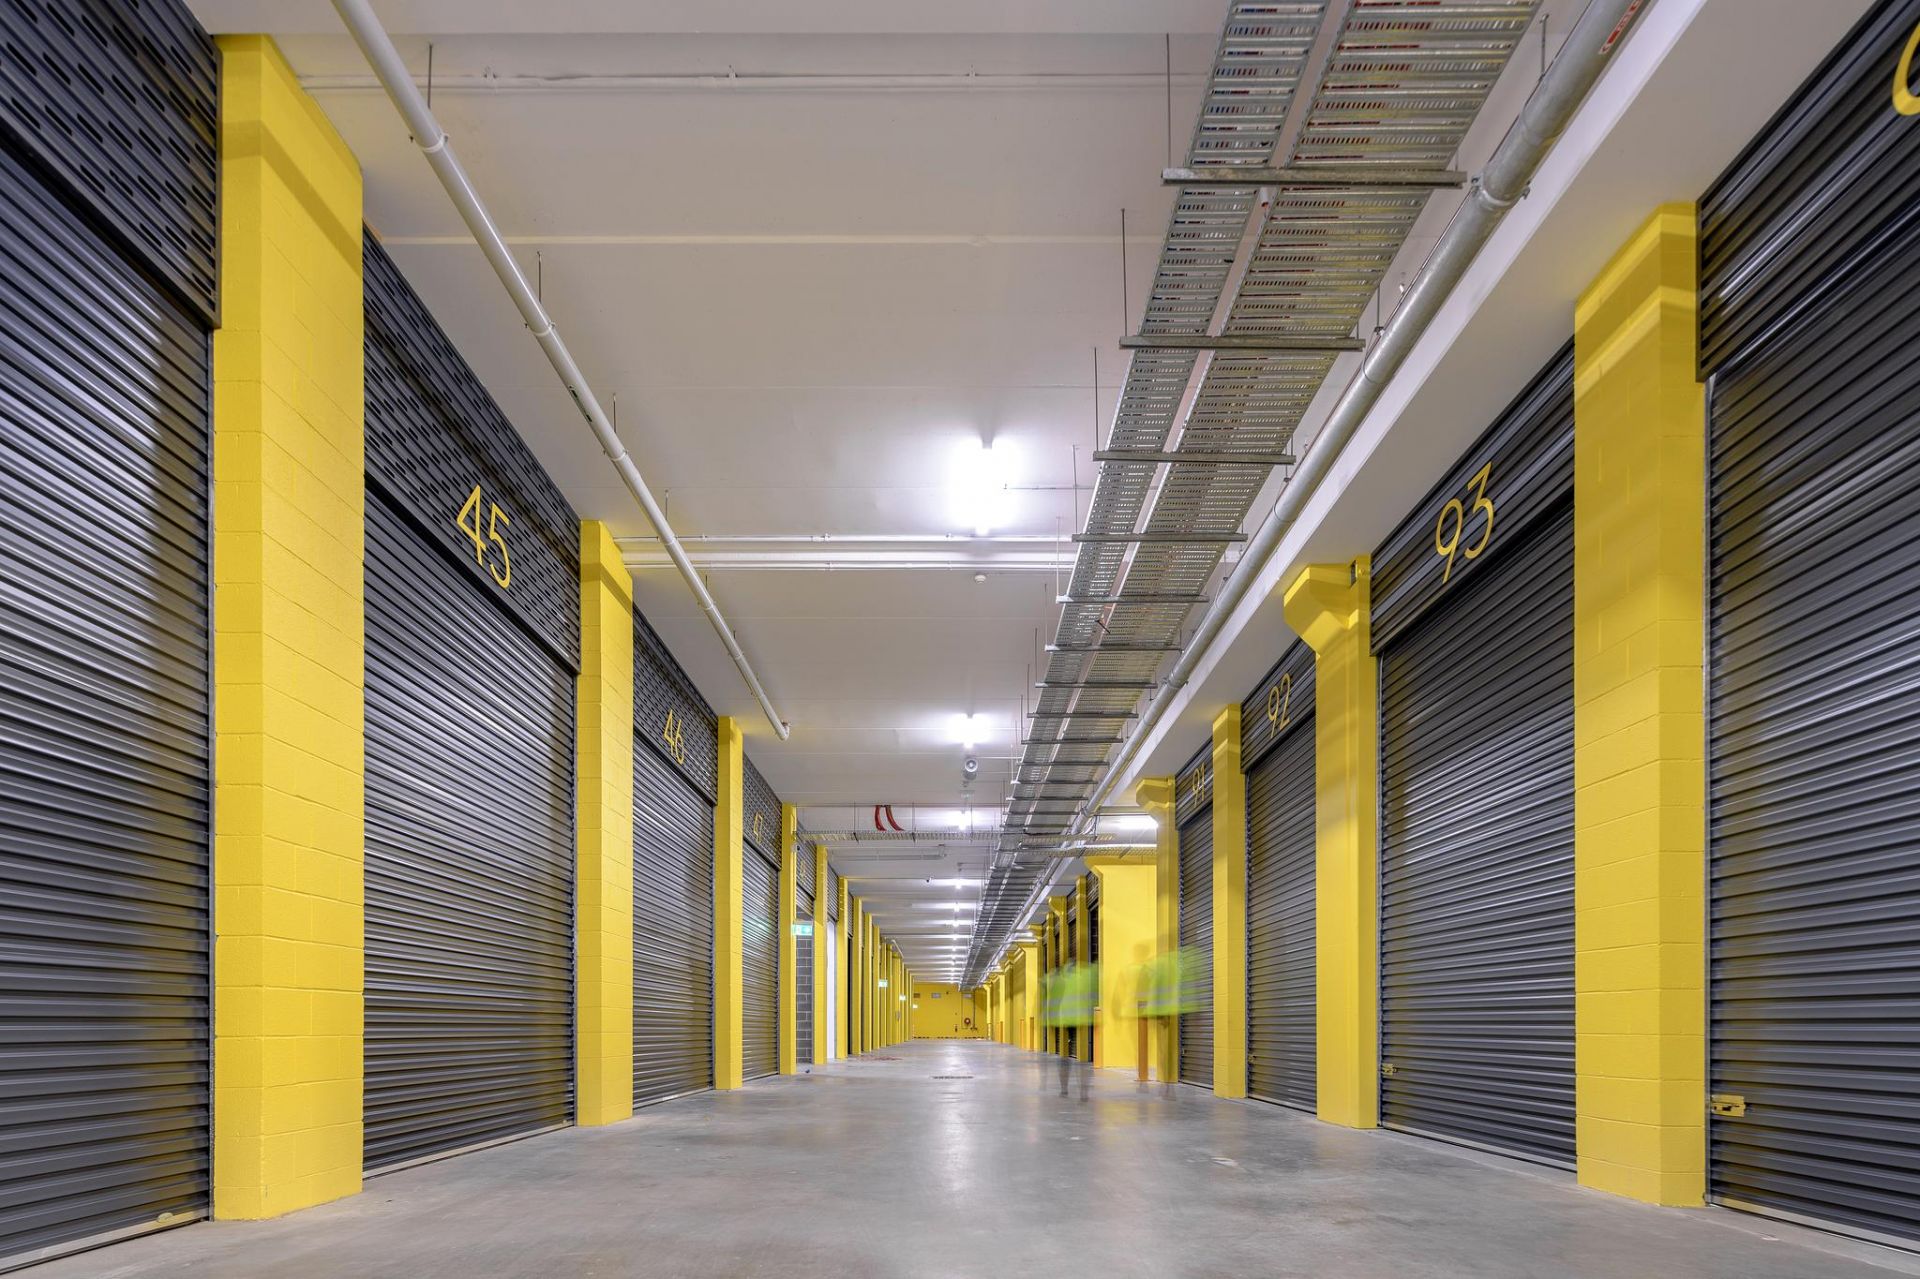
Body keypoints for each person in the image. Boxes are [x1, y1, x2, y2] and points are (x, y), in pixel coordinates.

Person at [1042, 959, 1099, 1099]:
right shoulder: (1084, 976)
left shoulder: (1058, 978)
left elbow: (1051, 998)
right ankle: (1084, 1093)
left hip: (1064, 1019)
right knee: (1083, 1060)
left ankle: (1064, 1089)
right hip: (1082, 1018)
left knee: (1064, 1058)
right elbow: (1093, 993)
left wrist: (1049, 1020)